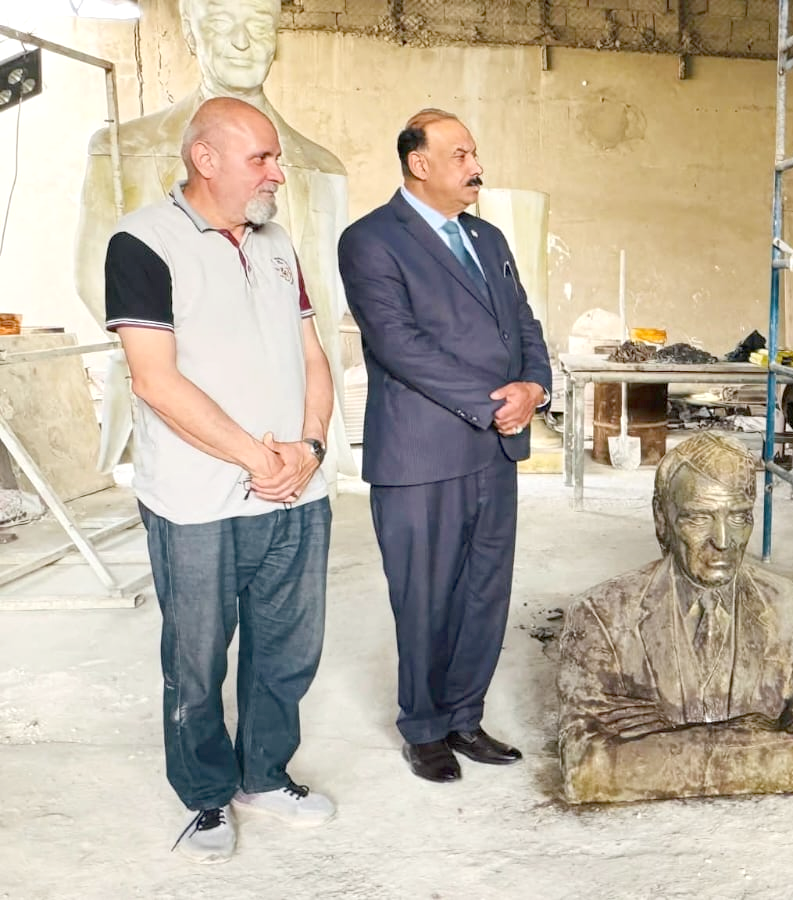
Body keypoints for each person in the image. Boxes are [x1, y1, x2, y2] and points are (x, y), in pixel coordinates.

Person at [106, 96, 336, 863]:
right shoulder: (142, 241)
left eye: (276, 159)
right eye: (261, 158)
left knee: (288, 649)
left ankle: (264, 777)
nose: (277, 173)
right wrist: (257, 458)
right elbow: (154, 380)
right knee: (197, 660)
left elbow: (313, 356)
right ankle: (206, 795)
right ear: (205, 159)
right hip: (197, 501)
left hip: (298, 490)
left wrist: (309, 446)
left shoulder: (277, 242)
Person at [339, 109, 553, 784]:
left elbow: (524, 322)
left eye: (475, 154)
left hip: (495, 450)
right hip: (422, 454)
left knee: (484, 592)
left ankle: (465, 716)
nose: (476, 167)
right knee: (425, 596)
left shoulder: (487, 239)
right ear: (418, 163)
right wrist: (496, 403)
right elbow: (398, 345)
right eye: (460, 155)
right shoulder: (371, 240)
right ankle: (424, 728)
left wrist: (535, 387)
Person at [77, 0, 356, 476]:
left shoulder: (321, 170)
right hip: (195, 458)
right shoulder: (125, 150)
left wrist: (310, 444)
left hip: (298, 454)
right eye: (223, 23)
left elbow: (319, 326)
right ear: (191, 32)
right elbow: (96, 284)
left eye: (259, 26)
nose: (242, 42)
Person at [558, 433, 793, 803]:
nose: (723, 540)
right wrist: (753, 735)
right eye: (699, 517)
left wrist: (663, 739)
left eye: (739, 516)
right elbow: (586, 770)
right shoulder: (600, 616)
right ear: (662, 518)